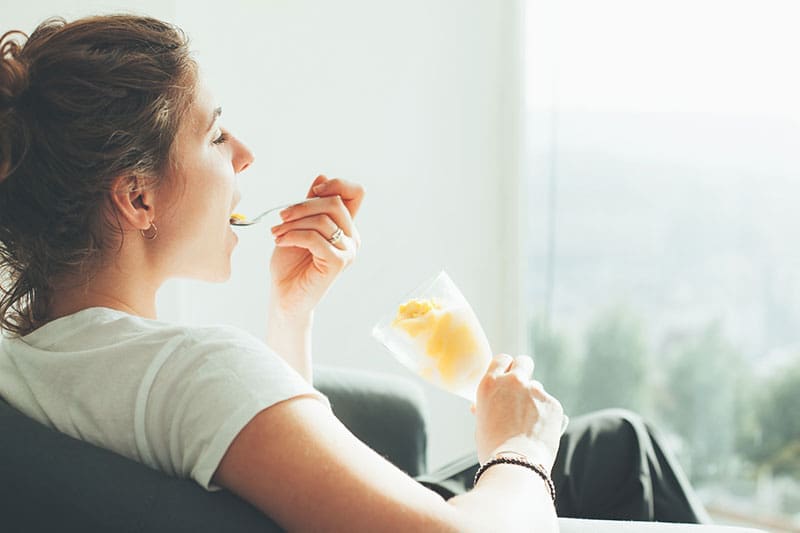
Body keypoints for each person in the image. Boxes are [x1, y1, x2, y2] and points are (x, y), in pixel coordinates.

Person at [0, 14, 707, 531]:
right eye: (215, 133)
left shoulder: (38, 360)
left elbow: (261, 482)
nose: (243, 155)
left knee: (615, 444)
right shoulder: (198, 367)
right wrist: (519, 444)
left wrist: (291, 313)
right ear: (137, 196)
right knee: (621, 452)